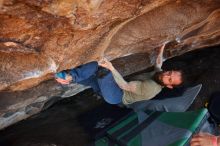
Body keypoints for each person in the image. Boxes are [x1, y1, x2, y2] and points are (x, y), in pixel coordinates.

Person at [55, 43, 184, 105]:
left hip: (117, 95)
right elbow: (158, 65)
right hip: (110, 91)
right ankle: (66, 78)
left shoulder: (151, 88)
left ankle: (70, 76)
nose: (166, 75)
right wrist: (162, 48)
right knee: (90, 78)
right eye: (170, 72)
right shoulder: (160, 75)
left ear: (169, 86)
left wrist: (111, 67)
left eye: (170, 79)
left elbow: (124, 86)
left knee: (99, 67)